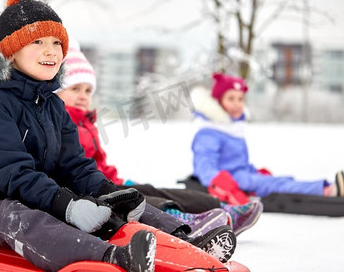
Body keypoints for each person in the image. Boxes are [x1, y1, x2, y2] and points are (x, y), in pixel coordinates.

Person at [0, 0, 237, 272]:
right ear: (11, 51)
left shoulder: (52, 106)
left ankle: (185, 240)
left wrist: (111, 193)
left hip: (32, 193)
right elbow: (11, 172)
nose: (50, 51)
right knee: (21, 219)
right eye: (37, 42)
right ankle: (113, 258)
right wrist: (66, 206)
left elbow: (75, 166)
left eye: (57, 43)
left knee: (113, 204)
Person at [56, 38, 263, 237]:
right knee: (140, 199)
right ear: (58, 91)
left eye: (88, 90)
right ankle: (183, 221)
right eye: (75, 89)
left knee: (151, 189)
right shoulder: (60, 123)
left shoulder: (85, 123)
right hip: (86, 192)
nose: (83, 95)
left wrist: (119, 180)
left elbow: (98, 164)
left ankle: (221, 209)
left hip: (103, 181)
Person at [189, 72, 344, 205]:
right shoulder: (209, 133)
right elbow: (205, 168)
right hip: (232, 181)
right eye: (231, 99)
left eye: (240, 99)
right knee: (276, 184)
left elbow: (236, 162)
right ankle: (327, 190)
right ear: (218, 101)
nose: (237, 104)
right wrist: (223, 186)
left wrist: (253, 171)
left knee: (278, 181)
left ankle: (327, 187)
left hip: (241, 176)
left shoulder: (232, 128)